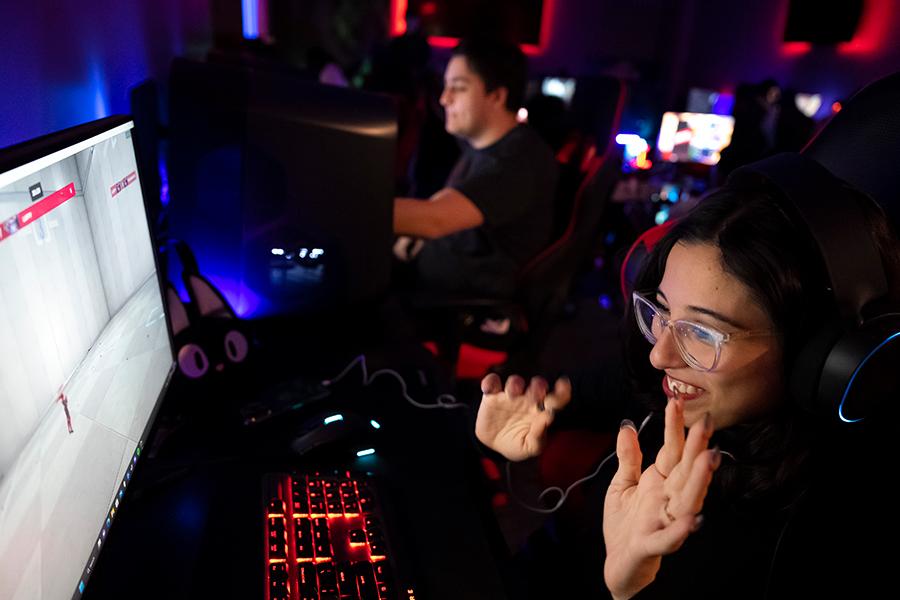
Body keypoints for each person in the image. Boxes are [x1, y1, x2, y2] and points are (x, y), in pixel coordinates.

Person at [475, 157, 900, 598]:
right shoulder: (660, 387)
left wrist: (626, 590)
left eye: (702, 332)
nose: (659, 355)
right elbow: (573, 393)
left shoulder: (821, 527)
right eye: (661, 310)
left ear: (820, 353)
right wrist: (513, 423)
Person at [393, 38, 558, 299]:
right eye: (445, 86)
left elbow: (435, 219)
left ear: (496, 96)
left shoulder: (517, 160)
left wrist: (348, 208)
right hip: (431, 285)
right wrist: (416, 233)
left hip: (457, 305)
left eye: (458, 88)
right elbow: (454, 199)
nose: (444, 98)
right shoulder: (483, 144)